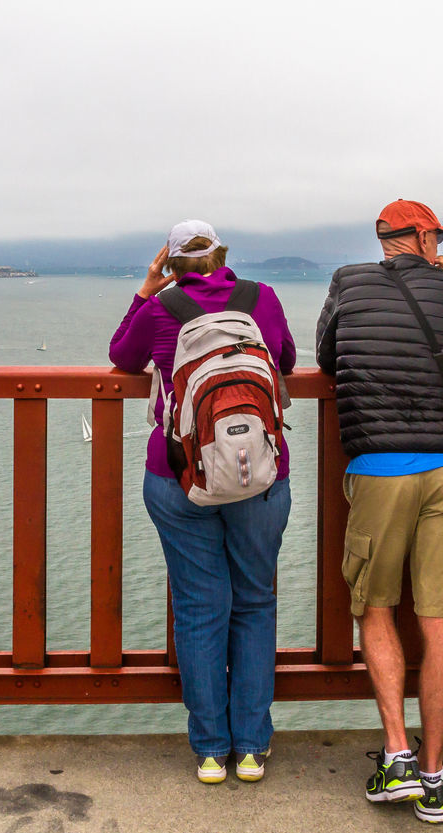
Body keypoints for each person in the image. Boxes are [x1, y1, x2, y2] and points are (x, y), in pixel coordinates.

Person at [110, 220, 296, 784]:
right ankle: (251, 750)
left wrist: (145, 289)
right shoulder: (261, 299)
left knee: (198, 608)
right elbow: (284, 362)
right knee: (255, 603)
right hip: (260, 472)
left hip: (178, 474)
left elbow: (123, 356)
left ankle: (212, 750)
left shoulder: (161, 306)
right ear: (221, 255)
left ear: (171, 264)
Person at [314, 199, 443, 824]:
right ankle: (435, 778)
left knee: (376, 607)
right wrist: (441, 273)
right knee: (440, 621)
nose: (441, 244)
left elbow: (328, 357)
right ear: (417, 235)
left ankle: (399, 757)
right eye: (436, 236)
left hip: (379, 466)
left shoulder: (346, 282)